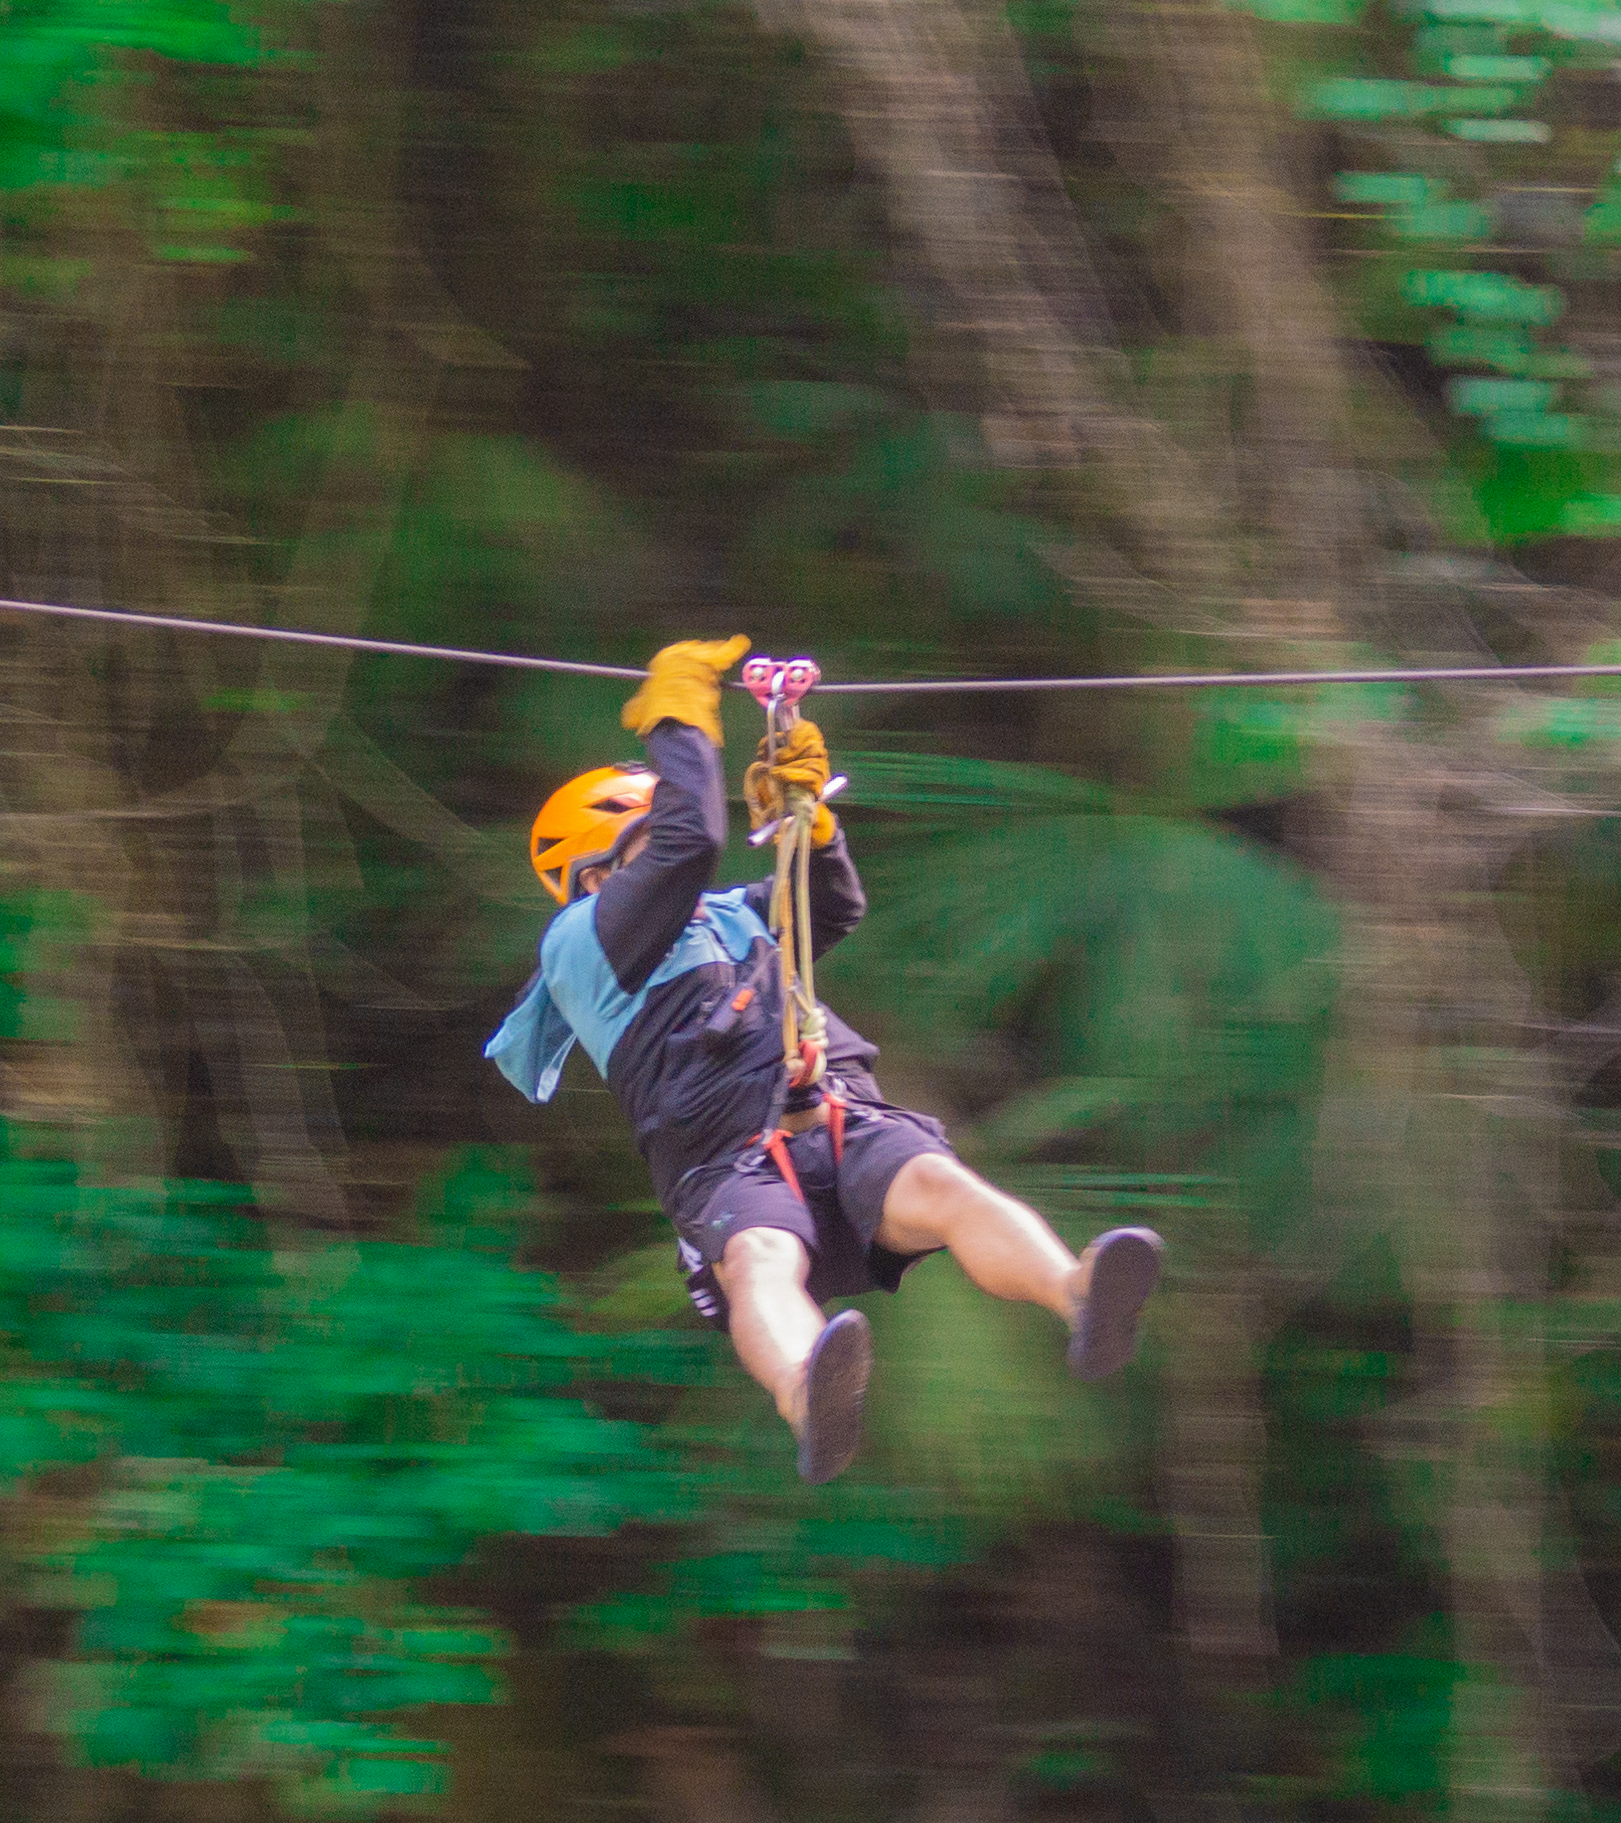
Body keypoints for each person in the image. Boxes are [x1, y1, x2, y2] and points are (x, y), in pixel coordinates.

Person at [485, 633, 1160, 1482]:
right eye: (646, 843)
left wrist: (812, 815)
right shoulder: (581, 943)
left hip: (835, 1116)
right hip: (725, 1159)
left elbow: (830, 907)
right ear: (595, 871)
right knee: (761, 1261)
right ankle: (808, 1388)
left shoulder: (727, 916)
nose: (672, 860)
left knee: (945, 1188)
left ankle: (1080, 1292)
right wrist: (677, 717)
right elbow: (690, 838)